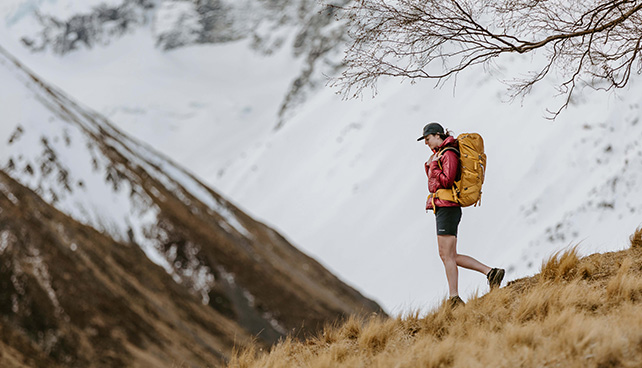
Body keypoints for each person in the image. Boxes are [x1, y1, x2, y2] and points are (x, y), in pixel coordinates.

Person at [417, 122, 504, 308]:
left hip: (448, 207)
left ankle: (454, 298)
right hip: (443, 207)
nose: (426, 143)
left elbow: (447, 180)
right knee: (447, 255)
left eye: (427, 138)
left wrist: (433, 167)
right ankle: (490, 273)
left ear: (438, 135)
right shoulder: (441, 154)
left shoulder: (449, 153)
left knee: (447, 255)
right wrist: (432, 165)